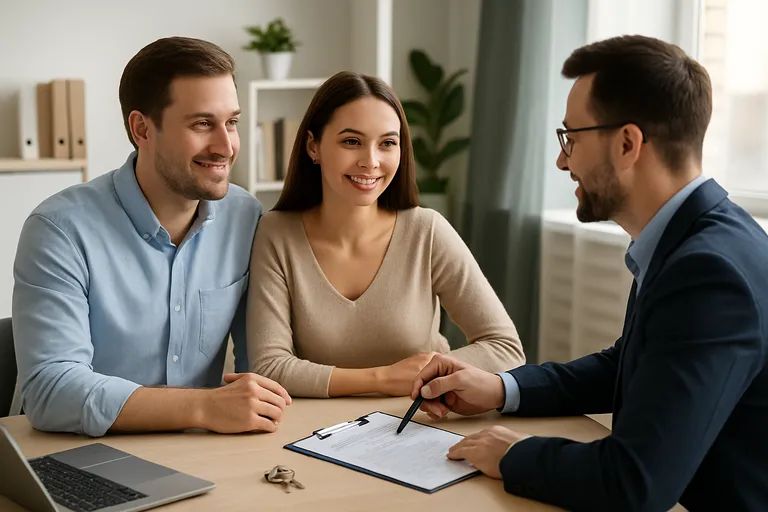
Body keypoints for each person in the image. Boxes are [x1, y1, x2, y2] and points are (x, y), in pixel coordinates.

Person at [409, 35, 768, 512]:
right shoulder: (696, 239)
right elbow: (632, 364)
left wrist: (515, 454)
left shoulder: (708, 273)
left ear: (627, 144)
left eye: (571, 139)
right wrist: (500, 388)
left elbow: (634, 483)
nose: (562, 160)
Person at [12, 36, 290, 438]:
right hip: (81, 449)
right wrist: (202, 407)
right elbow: (51, 391)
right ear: (142, 129)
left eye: (231, 122)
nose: (226, 146)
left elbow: (261, 366)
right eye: (202, 124)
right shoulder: (58, 229)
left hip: (203, 450)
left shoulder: (245, 217)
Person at [246, 71, 525, 398]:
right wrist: (382, 379)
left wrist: (436, 371)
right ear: (313, 146)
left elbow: (505, 347)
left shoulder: (426, 231)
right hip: (318, 424)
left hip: (419, 417)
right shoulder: (277, 233)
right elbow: (270, 366)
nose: (371, 161)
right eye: (352, 141)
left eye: (388, 143)